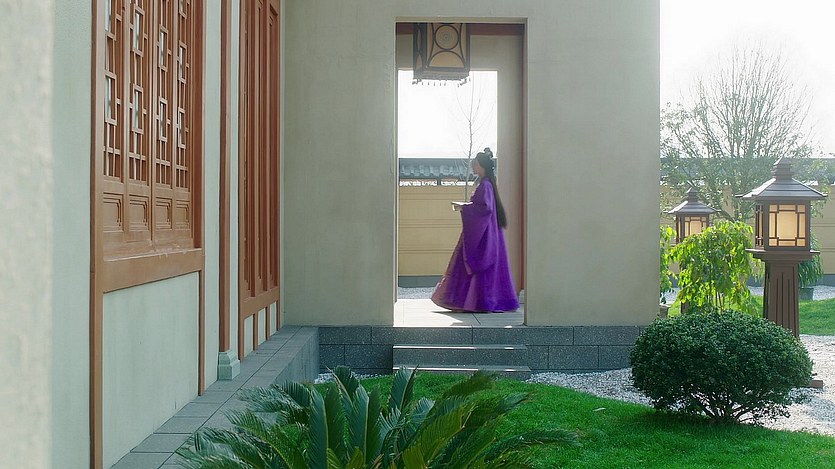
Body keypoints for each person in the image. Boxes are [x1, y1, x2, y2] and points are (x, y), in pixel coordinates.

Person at [431, 148, 520, 313]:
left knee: (474, 262)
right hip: (488, 232)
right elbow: (483, 207)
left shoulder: (485, 185)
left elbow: (485, 209)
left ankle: (475, 302)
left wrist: (464, 208)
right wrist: (466, 207)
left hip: (484, 234)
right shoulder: (487, 184)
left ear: (482, 166)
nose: (473, 166)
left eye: (475, 164)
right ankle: (477, 302)